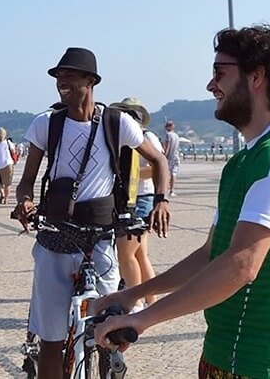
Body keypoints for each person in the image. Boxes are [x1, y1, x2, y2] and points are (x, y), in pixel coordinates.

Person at [93, 25, 270, 379]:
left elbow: (242, 264)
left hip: (266, 363)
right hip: (219, 354)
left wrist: (143, 320)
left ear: (256, 76)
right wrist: (133, 295)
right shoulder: (241, 162)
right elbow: (211, 254)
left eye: (220, 73)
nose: (211, 85)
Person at [12, 47, 170, 379]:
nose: (61, 82)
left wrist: (161, 199)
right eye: (58, 76)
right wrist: (25, 201)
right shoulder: (47, 124)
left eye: (69, 75)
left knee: (107, 334)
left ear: (91, 80)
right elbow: (26, 181)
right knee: (52, 341)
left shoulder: (116, 123)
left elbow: (159, 160)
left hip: (100, 241)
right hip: (55, 238)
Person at [110, 97, 163, 311]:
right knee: (139, 254)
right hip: (132, 199)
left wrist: (132, 174)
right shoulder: (126, 137)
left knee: (126, 253)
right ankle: (151, 301)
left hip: (140, 199)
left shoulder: (146, 137)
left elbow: (158, 165)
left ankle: (137, 302)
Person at [162, 120, 180, 197]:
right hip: (176, 157)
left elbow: (167, 147)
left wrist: (163, 156)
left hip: (169, 157)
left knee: (166, 173)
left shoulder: (168, 135)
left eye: (167, 126)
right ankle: (172, 190)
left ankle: (165, 189)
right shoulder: (176, 136)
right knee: (173, 173)